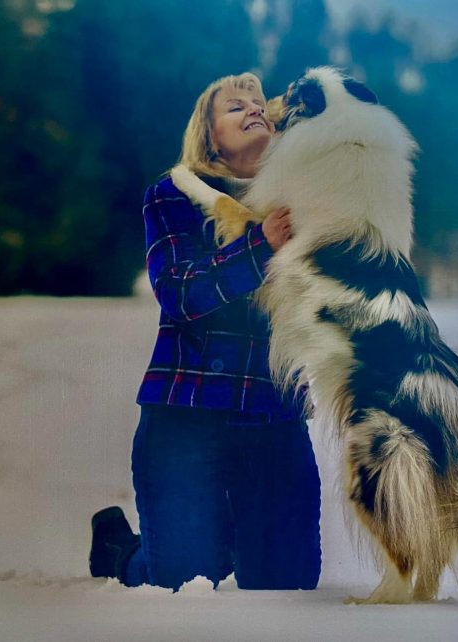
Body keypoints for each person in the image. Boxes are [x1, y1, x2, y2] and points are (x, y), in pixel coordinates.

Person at [88, 72, 322, 591]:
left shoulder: (307, 205)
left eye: (260, 104)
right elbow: (180, 293)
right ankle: (121, 550)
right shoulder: (173, 196)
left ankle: (237, 537)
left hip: (272, 415)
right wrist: (260, 243)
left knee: (288, 581)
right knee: (183, 579)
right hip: (186, 416)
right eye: (235, 106)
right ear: (209, 136)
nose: (254, 110)